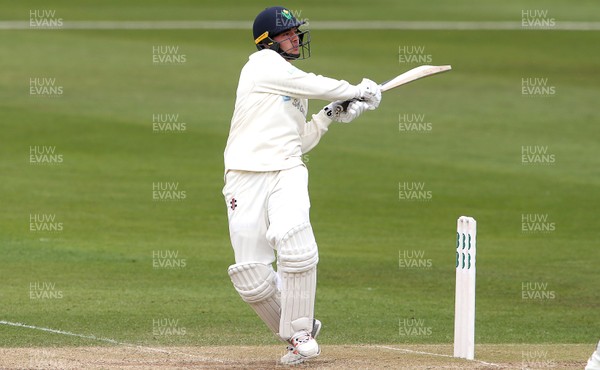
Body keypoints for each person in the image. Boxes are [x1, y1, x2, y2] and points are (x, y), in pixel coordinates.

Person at [222, 6, 381, 365]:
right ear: (267, 42)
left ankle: (299, 333)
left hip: (287, 170)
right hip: (242, 177)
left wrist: (327, 118)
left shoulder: (290, 83)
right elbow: (313, 83)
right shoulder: (262, 66)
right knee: (251, 277)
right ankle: (300, 324)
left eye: (297, 32)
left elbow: (298, 140)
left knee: (294, 243)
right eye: (287, 33)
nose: (296, 38)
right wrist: (357, 89)